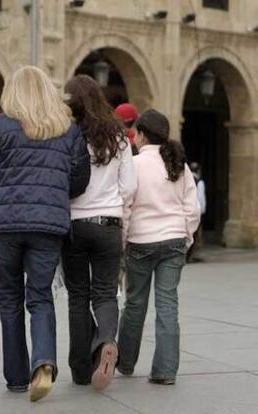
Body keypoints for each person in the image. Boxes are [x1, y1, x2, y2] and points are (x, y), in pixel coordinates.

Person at [0, 66, 90, 402]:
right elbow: (80, 180)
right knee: (40, 296)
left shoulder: (1, 125)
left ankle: (15, 376)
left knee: (9, 297)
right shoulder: (67, 129)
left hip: (8, 224)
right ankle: (43, 363)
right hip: (48, 224)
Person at [62, 75, 136, 391]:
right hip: (109, 223)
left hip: (75, 224)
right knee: (105, 292)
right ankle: (106, 339)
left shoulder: (68, 136)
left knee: (78, 296)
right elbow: (130, 186)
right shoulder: (118, 135)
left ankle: (81, 368)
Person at [118, 109, 200, 385]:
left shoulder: (135, 164)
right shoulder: (179, 164)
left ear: (140, 134)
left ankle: (126, 362)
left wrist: (124, 239)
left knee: (135, 304)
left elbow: (126, 205)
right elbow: (193, 208)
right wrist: (186, 237)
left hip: (141, 241)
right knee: (168, 305)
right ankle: (165, 371)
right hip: (174, 241)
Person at [187, 162, 206, 262]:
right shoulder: (199, 182)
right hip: (196, 211)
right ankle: (191, 255)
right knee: (196, 234)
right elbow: (201, 198)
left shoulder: (187, 179)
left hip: (186, 210)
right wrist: (202, 211)